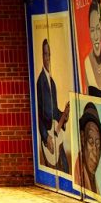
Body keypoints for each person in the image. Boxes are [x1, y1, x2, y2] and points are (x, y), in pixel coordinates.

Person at [34, 39, 69, 171]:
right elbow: (39, 112)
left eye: (49, 54)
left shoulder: (52, 82)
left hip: (56, 134)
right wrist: (45, 136)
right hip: (48, 137)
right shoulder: (40, 82)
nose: (47, 58)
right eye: (45, 54)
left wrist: (64, 115)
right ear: (42, 56)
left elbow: (53, 110)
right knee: (58, 167)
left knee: (65, 167)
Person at [73, 103, 101, 195]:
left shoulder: (94, 183)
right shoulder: (78, 174)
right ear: (83, 138)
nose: (95, 151)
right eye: (91, 142)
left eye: (98, 144)